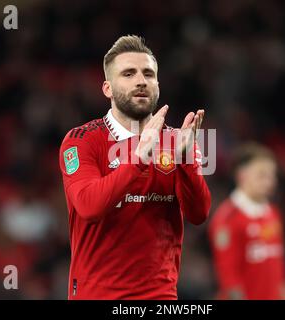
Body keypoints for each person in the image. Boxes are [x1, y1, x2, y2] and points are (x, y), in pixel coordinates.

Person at [59, 35, 211, 299]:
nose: (141, 81)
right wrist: (139, 157)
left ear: (157, 85)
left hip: (160, 297)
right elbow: (88, 206)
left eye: (148, 74)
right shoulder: (81, 139)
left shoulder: (178, 140)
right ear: (107, 88)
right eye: (128, 74)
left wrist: (186, 161)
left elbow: (199, 214)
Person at [208, 143, 285, 299]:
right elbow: (229, 278)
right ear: (242, 175)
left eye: (272, 176)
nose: (270, 182)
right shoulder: (227, 218)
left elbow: (279, 267)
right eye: (262, 175)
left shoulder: (273, 213)